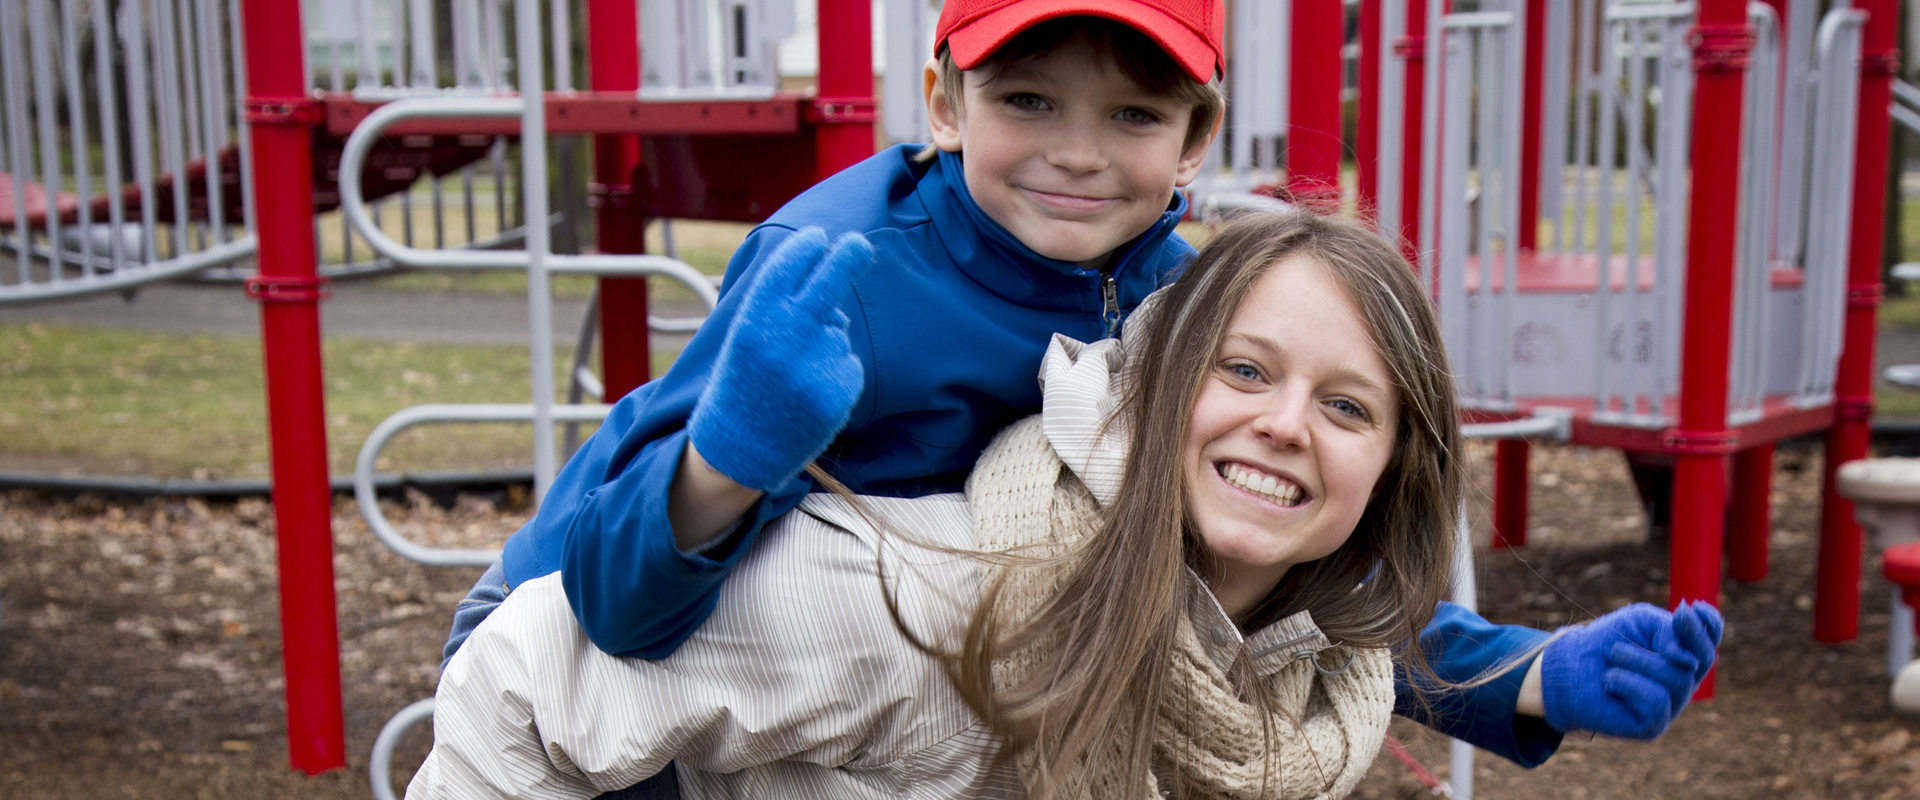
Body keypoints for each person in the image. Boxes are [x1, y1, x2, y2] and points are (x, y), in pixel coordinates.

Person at [442, 0, 1710, 776]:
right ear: (943, 98)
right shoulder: (840, 273)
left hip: (862, 635)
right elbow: (607, 598)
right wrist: (734, 450)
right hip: (578, 621)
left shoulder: (1182, 294)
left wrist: (1519, 676)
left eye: (1134, 114)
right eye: (1028, 97)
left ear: (1197, 139)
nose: (1077, 152)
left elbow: (1257, 561)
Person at [411, 213, 1723, 800]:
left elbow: (1294, 634)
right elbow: (526, 684)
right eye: (1248, 372)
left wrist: (1532, 680)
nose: (1282, 421)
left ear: (1392, 474)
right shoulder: (932, 601)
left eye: (1347, 406)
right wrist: (723, 461)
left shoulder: (1320, 695)